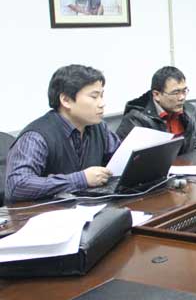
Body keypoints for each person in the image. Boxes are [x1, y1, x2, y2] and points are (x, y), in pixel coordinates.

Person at [4, 65, 120, 203]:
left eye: (101, 96)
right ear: (66, 100)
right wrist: (81, 179)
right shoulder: (36, 137)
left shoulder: (98, 127)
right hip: (43, 212)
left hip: (86, 207)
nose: (102, 104)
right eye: (94, 97)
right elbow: (17, 185)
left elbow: (121, 159)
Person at [117, 66, 196, 155]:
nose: (182, 97)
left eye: (184, 91)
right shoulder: (136, 120)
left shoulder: (188, 113)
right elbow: (131, 159)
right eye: (176, 93)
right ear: (156, 95)